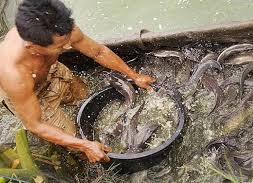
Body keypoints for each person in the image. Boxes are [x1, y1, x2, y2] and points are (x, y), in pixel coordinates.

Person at [0, 0, 155, 163]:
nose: (69, 45)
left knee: (85, 99)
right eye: (60, 47)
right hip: (31, 95)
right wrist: (85, 146)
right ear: (33, 47)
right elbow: (35, 124)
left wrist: (134, 75)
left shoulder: (62, 29)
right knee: (78, 141)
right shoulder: (13, 72)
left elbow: (98, 52)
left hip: (52, 71)